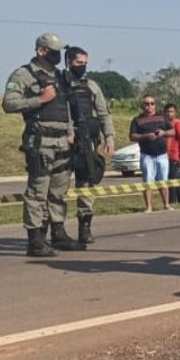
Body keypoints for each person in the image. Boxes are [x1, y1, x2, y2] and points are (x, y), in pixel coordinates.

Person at [2, 32, 86, 256]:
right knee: (38, 191)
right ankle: (35, 240)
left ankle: (58, 233)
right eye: (53, 51)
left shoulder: (59, 76)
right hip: (40, 139)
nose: (58, 55)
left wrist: (70, 131)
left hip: (62, 140)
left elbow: (65, 107)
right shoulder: (23, 74)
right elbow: (8, 104)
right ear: (41, 51)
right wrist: (39, 99)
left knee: (59, 190)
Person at [64, 46, 115, 244]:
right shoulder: (60, 84)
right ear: (69, 62)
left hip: (87, 142)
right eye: (79, 63)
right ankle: (57, 229)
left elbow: (103, 114)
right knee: (59, 186)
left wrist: (109, 138)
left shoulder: (91, 86)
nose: (82, 67)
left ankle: (85, 226)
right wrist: (69, 132)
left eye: (85, 63)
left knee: (86, 184)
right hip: (64, 142)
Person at [129, 95, 174, 212]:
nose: (149, 106)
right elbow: (132, 136)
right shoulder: (137, 120)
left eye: (152, 103)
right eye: (147, 104)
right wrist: (146, 136)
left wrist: (163, 132)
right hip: (147, 155)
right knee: (148, 181)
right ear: (142, 105)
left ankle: (166, 204)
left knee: (163, 180)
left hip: (162, 155)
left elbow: (173, 131)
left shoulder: (162, 117)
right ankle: (149, 206)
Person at [164, 103, 180, 205]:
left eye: (171, 111)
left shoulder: (177, 123)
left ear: (175, 112)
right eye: (167, 112)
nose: (169, 114)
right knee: (176, 178)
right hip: (166, 156)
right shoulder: (164, 124)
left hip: (174, 156)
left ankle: (172, 201)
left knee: (172, 180)